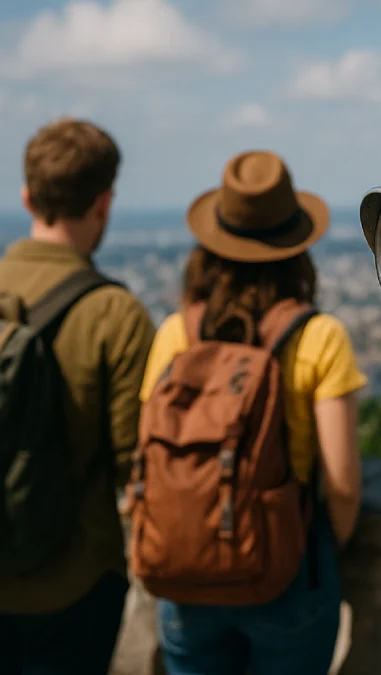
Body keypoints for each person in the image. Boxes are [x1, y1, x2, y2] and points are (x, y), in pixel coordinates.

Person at [138, 150, 365, 675]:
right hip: (285, 569)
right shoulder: (318, 336)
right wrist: (325, 548)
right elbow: (344, 485)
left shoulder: (176, 332)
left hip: (185, 571)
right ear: (297, 246)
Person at [0, 118, 156, 673]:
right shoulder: (115, 315)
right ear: (104, 203)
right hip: (74, 577)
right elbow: (129, 461)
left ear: (26, 196)